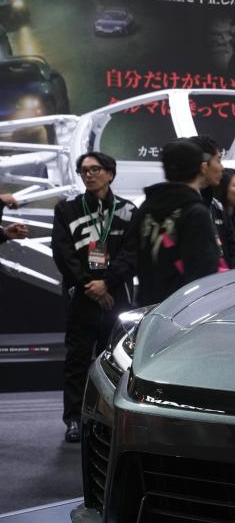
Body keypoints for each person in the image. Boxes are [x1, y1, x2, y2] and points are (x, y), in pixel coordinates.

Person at [50, 152, 136, 442]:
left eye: (95, 169)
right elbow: (63, 252)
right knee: (77, 359)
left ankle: (108, 419)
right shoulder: (67, 209)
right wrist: (90, 285)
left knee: (113, 360)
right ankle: (74, 418)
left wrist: (107, 283)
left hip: (116, 296)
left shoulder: (128, 210)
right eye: (83, 170)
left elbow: (131, 253)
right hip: (81, 295)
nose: (89, 175)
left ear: (110, 173)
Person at [128, 139, 222, 306]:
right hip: (184, 308)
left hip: (149, 305)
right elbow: (203, 272)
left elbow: (133, 256)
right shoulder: (195, 212)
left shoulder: (146, 208)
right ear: (202, 168)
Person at [189, 135, 235, 270]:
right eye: (218, 160)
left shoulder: (216, 206)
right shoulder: (181, 209)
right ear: (203, 165)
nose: (222, 167)